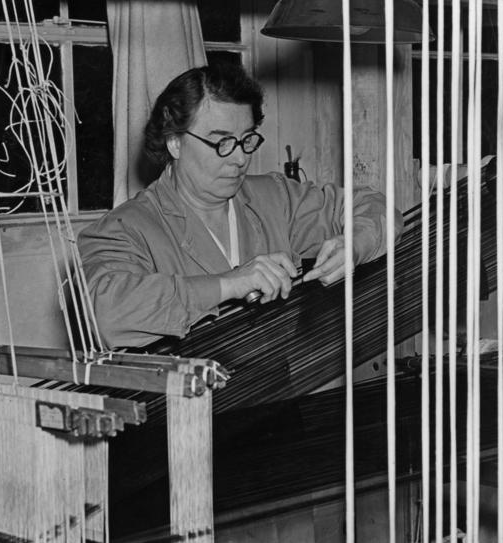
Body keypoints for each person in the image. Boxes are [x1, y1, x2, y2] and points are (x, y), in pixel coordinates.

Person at [78, 62, 402, 349]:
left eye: (246, 139)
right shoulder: (125, 228)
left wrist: (355, 245)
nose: (240, 158)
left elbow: (375, 207)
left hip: (276, 399)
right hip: (185, 412)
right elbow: (106, 314)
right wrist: (230, 283)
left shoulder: (275, 198)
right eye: (222, 142)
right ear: (174, 141)